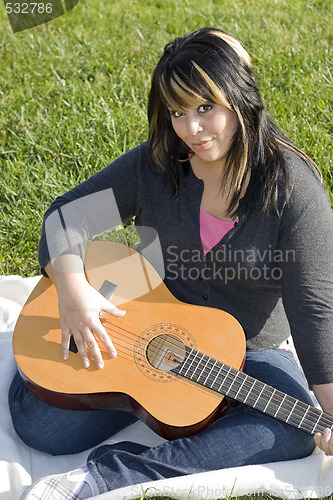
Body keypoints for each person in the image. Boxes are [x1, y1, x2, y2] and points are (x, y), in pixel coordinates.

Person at [9, 27, 333, 500]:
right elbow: (68, 215)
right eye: (178, 112)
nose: (191, 129)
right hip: (143, 317)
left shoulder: (294, 192)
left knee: (291, 429)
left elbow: (315, 311)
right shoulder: (158, 164)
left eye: (206, 107)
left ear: (241, 98)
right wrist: (74, 289)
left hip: (245, 347)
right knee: (42, 428)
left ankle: (109, 477)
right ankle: (115, 383)